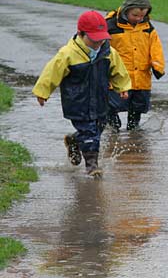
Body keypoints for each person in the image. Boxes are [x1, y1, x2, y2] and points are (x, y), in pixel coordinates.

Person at [32, 10, 131, 177]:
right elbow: (52, 72)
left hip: (100, 101)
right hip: (77, 102)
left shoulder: (108, 52)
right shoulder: (68, 53)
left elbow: (118, 71)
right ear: (80, 34)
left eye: (101, 40)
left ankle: (74, 141)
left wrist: (123, 87)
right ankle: (92, 167)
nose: (97, 44)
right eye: (93, 40)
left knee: (97, 129)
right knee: (90, 134)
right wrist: (43, 91)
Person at [105, 0, 165, 131]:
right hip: (118, 77)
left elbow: (155, 48)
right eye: (135, 15)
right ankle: (112, 124)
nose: (139, 19)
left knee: (138, 106)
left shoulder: (148, 27)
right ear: (126, 10)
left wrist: (158, 66)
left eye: (142, 15)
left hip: (141, 77)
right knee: (113, 104)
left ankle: (134, 129)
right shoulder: (111, 26)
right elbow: (103, 49)